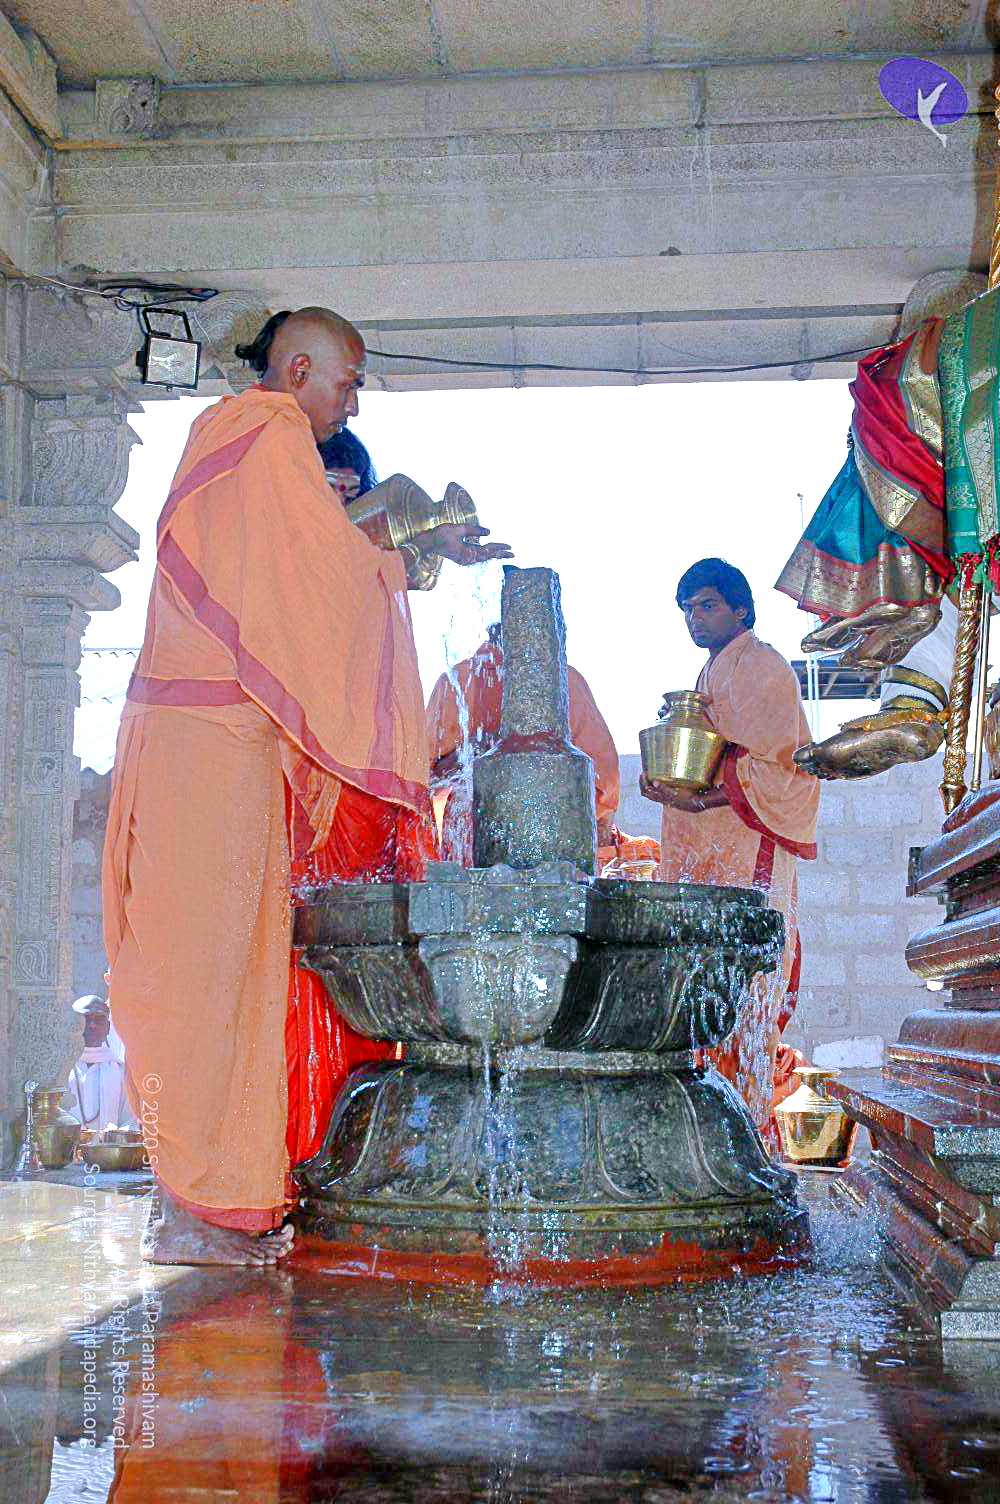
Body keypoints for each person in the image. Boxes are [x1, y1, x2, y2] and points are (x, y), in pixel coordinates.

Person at [102, 306, 512, 1266]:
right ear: (297, 371)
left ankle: (220, 1201)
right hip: (207, 740)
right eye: (348, 381)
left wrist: (415, 552)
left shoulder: (259, 442)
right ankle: (187, 1209)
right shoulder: (260, 432)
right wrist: (404, 542)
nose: (353, 402)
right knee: (202, 974)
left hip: (235, 743)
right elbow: (320, 573)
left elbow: (313, 568)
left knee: (239, 974)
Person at [640, 559, 819, 1135]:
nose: (695, 618)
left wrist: (704, 798)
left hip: (749, 857)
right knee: (702, 995)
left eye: (707, 605)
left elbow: (783, 766)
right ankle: (709, 1139)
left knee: (748, 991)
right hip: (710, 860)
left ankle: (747, 1141)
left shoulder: (762, 667)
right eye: (687, 609)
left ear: (740, 609)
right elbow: (705, 762)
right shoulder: (708, 677)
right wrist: (666, 782)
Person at [425, 622, 621, 863]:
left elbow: (421, 777)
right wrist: (483, 754)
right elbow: (604, 785)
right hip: (543, 834)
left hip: (528, 831)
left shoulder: (565, 680)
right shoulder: (564, 679)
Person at [62, 994, 138, 1133]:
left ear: (108, 1027)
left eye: (99, 1019)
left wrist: (115, 1135)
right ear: (73, 1025)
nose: (92, 1025)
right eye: (86, 1019)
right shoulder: (60, 1069)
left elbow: (131, 1119)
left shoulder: (120, 1071)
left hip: (108, 1146)